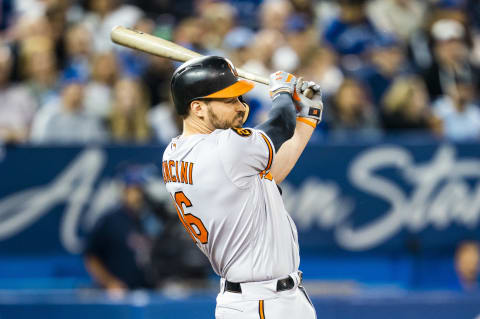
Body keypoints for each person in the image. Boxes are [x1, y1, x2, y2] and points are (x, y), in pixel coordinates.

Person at [162, 55, 321, 318]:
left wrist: (308, 117)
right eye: (229, 100)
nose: (241, 107)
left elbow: (270, 175)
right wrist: (281, 90)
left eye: (239, 99)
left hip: (260, 299)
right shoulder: (224, 148)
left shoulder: (174, 152)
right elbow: (281, 122)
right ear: (198, 108)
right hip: (261, 302)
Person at [84, 165, 155, 293]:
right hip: (118, 296)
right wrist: (109, 282)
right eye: (133, 190)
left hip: (145, 292)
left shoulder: (148, 220)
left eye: (140, 189)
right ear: (123, 191)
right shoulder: (110, 220)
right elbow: (91, 257)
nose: (138, 195)